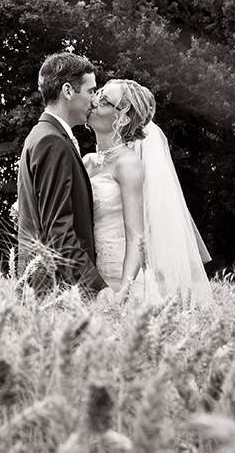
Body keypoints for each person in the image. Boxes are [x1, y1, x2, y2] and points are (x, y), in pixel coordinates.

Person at [83, 79, 213, 307]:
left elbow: (136, 238)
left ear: (122, 118)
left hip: (122, 279)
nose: (94, 101)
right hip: (92, 279)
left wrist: (123, 289)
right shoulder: (86, 162)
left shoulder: (128, 164)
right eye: (98, 94)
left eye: (104, 101)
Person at [17, 53, 108, 294]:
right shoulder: (52, 142)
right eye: (90, 91)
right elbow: (59, 232)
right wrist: (97, 288)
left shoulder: (44, 135)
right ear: (68, 91)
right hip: (55, 290)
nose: (94, 101)